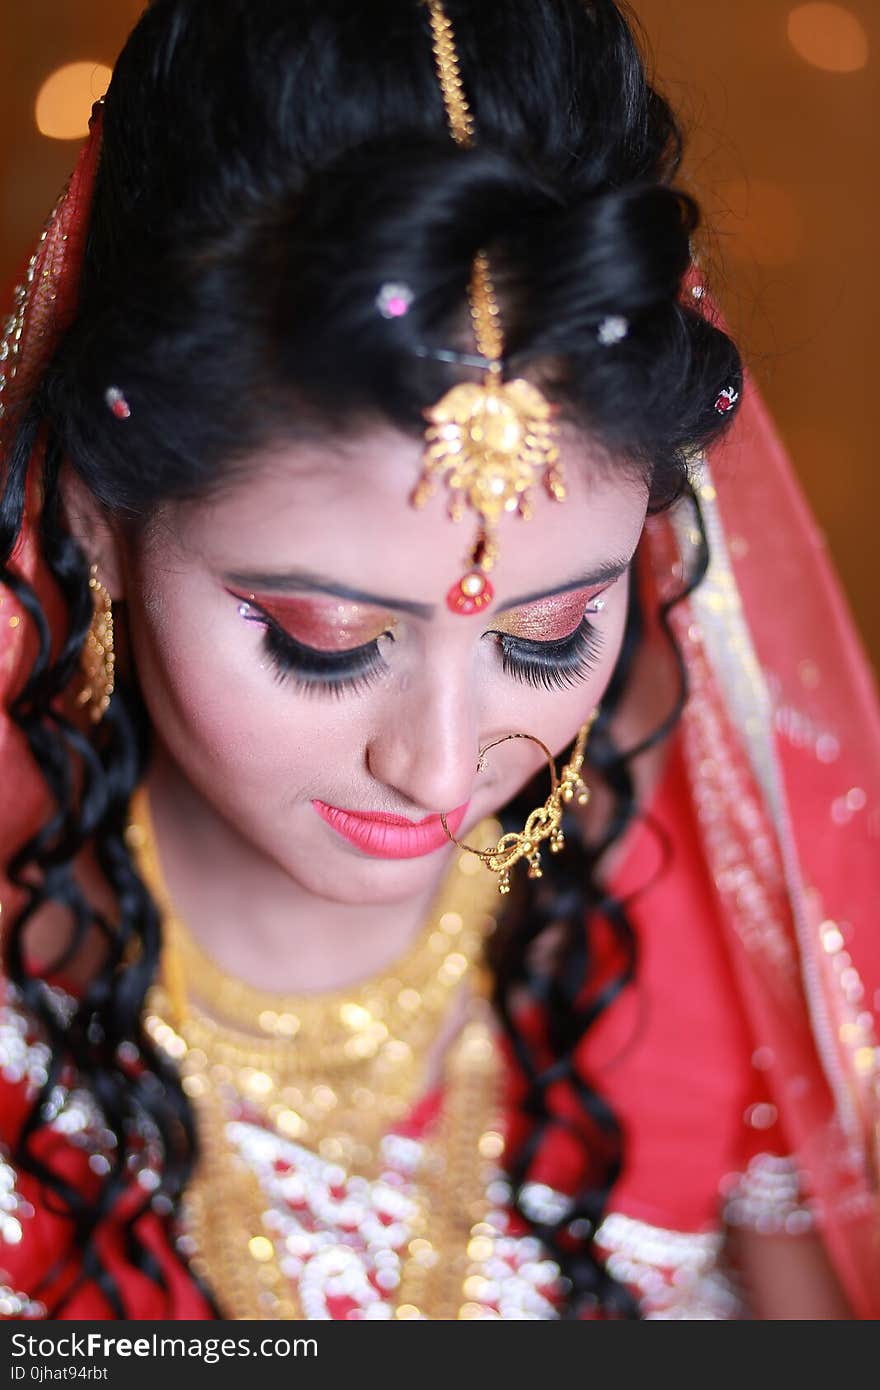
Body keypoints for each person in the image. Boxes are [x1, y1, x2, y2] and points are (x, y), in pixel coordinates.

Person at [0, 0, 877, 1322]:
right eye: (324, 641)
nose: (442, 761)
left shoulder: (755, 878)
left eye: (549, 632)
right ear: (94, 525)